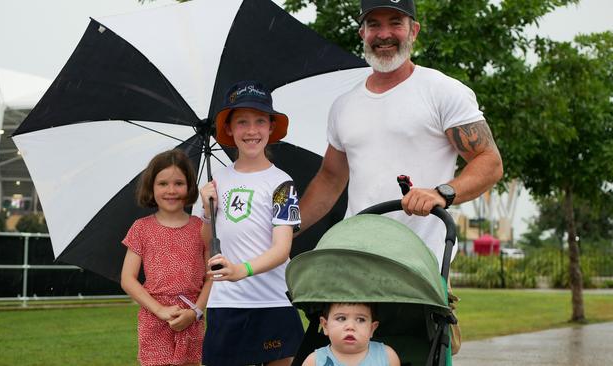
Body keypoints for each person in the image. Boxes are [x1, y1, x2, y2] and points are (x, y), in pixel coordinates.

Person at [297, 0, 503, 357]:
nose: (385, 34)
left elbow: (489, 162)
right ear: (362, 32)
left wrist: (442, 193)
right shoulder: (345, 105)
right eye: (374, 24)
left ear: (414, 30)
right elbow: (330, 180)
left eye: (396, 22)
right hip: (356, 258)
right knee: (348, 356)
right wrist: (283, 230)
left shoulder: (442, 91)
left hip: (420, 264)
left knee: (418, 355)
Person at [199, 80, 303, 366]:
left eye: (260, 121)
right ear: (229, 129)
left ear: (271, 128)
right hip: (226, 304)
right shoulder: (216, 181)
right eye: (242, 122)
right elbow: (206, 240)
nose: (252, 130)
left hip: (273, 302)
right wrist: (208, 212)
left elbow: (281, 249)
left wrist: (240, 270)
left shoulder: (282, 183)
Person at [121, 149, 211, 366]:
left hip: (191, 319)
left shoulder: (202, 228)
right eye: (163, 184)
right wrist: (160, 310)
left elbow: (212, 276)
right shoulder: (141, 228)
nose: (171, 190)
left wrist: (196, 312)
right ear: (151, 187)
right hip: (154, 319)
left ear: (189, 187)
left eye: (179, 183)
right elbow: (128, 279)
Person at [302, 303, 401, 366]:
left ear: (372, 329)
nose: (350, 326)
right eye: (341, 318)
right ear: (325, 326)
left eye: (360, 319)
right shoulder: (314, 361)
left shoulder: (387, 356)